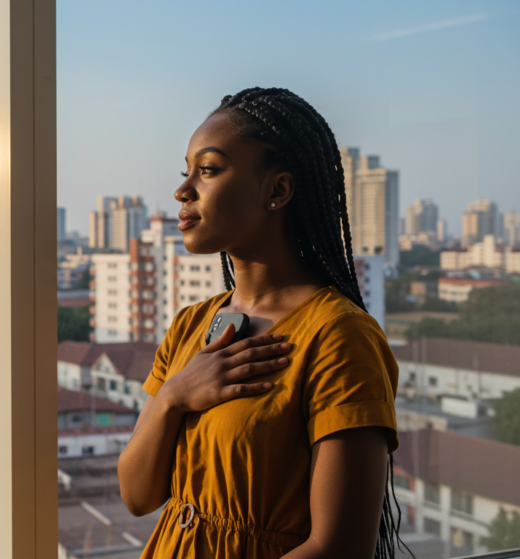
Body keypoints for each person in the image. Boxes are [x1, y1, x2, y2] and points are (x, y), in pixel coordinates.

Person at [117, 88, 404, 558]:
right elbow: (137, 494)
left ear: (277, 190)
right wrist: (174, 396)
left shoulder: (339, 337)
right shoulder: (191, 324)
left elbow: (338, 548)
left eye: (207, 170)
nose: (182, 190)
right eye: (185, 171)